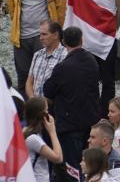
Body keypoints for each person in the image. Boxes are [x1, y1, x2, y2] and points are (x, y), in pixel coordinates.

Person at [64, 0, 120, 117]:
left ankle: (105, 114)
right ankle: (88, 111)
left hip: (107, 39)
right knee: (88, 79)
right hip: (87, 42)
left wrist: (112, 31)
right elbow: (72, 13)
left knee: (108, 80)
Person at [43, 26, 100, 180]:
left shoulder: (62, 68)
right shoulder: (92, 61)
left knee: (71, 169)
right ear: (82, 40)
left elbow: (48, 90)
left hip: (70, 126)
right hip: (90, 122)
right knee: (88, 165)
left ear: (62, 41)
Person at [23, 96, 64, 182]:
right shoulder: (33, 139)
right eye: (47, 111)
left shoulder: (27, 132)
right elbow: (58, 158)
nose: (49, 114)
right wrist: (52, 132)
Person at [25, 20, 66, 99]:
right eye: (40, 34)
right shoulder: (37, 55)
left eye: (44, 34)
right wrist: (32, 99)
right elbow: (29, 81)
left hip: (53, 106)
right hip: (36, 106)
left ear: (55, 35)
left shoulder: (65, 56)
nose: (40, 38)